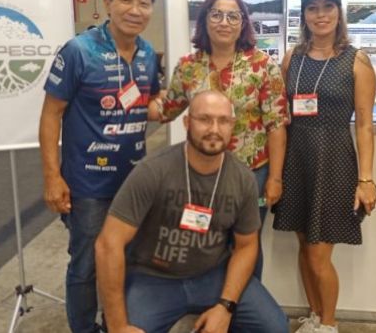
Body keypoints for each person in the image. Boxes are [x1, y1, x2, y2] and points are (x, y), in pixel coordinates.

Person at [95, 90, 289, 333]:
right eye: (204, 119)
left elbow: (246, 246)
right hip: (154, 277)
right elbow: (108, 245)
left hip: (212, 275)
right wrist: (117, 326)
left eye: (223, 121)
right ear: (187, 122)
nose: (214, 129)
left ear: (233, 126)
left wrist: (225, 306)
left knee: (276, 328)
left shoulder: (242, 179)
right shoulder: (153, 170)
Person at [39, 0, 162, 333]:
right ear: (108, 2)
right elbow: (51, 115)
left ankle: (115, 325)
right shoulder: (79, 51)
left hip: (133, 182)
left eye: (144, 2)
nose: (135, 9)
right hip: (88, 184)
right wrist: (52, 177)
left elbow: (150, 103)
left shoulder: (148, 54)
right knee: (86, 264)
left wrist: (186, 103)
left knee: (126, 258)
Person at [151, 0, 289, 279]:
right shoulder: (188, 67)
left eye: (232, 16)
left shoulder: (263, 66)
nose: (224, 22)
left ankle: (243, 301)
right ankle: (206, 300)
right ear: (204, 20)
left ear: (243, 23)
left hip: (251, 174)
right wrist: (135, 99)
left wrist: (275, 178)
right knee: (203, 241)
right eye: (216, 15)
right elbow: (168, 110)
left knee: (246, 243)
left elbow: (276, 124)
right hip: (201, 173)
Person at [273, 0, 376, 333]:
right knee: (304, 246)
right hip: (296, 160)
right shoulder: (293, 58)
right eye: (313, 8)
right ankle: (315, 316)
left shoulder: (356, 60)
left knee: (319, 254)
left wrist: (366, 179)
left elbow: (365, 125)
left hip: (334, 162)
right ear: (304, 15)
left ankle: (329, 325)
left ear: (339, 11)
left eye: (327, 6)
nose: (321, 15)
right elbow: (281, 115)